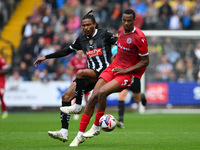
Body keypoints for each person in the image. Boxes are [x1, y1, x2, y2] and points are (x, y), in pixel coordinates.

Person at [62, 8, 149, 147]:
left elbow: (145, 61)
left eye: (129, 21)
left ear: (134, 20)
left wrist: (126, 69)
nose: (126, 23)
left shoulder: (140, 37)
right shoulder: (121, 31)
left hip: (127, 73)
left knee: (102, 93)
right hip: (114, 66)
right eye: (124, 20)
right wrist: (116, 56)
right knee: (92, 97)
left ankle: (96, 126)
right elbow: (122, 48)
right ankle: (79, 136)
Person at [33, 10, 117, 142]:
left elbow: (120, 43)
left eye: (88, 25)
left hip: (104, 73)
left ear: (94, 25)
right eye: (83, 25)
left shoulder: (104, 34)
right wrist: (46, 57)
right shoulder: (82, 39)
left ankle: (78, 106)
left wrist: (117, 55)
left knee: (80, 73)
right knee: (65, 97)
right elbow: (66, 51)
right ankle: (64, 132)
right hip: (91, 74)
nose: (85, 28)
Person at [111, 46, 147, 129]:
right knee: (122, 94)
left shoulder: (129, 49)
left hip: (134, 76)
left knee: (137, 99)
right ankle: (120, 121)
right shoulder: (114, 49)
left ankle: (142, 97)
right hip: (123, 77)